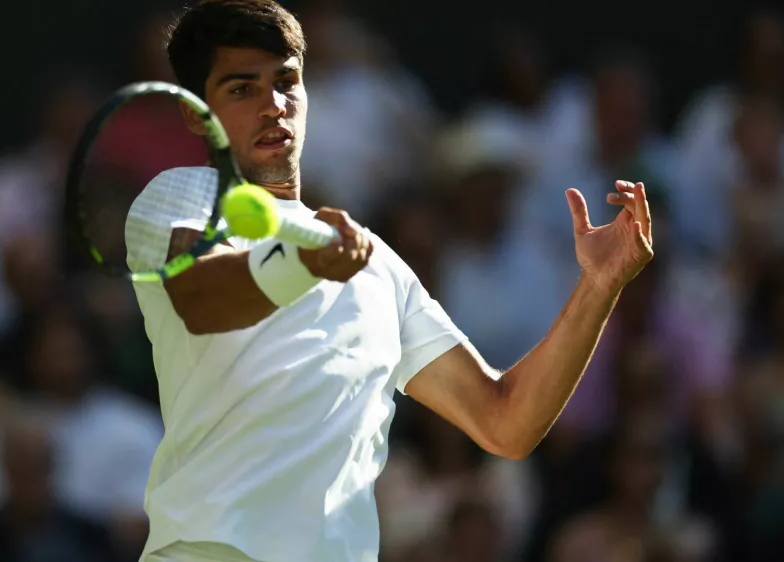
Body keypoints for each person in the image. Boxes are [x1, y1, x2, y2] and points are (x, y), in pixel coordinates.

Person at [126, 1, 655, 561]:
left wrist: (600, 285)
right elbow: (200, 298)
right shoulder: (180, 198)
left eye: (286, 83)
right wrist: (301, 264)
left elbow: (506, 423)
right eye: (241, 90)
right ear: (195, 113)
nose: (273, 106)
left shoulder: (376, 265)